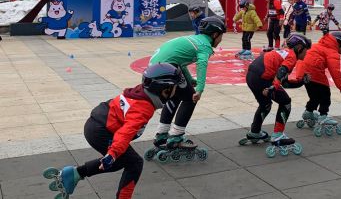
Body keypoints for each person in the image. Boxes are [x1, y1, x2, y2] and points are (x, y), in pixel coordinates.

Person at [43, 63, 183, 199]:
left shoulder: (141, 93)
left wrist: (113, 155)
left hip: (97, 125)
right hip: (101, 131)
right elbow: (126, 132)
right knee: (134, 163)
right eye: (175, 88)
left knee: (120, 162)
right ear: (165, 90)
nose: (176, 91)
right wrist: (113, 153)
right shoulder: (143, 107)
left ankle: (74, 174)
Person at [148, 16, 226, 153]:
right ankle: (176, 137)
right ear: (215, 34)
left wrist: (189, 80)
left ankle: (161, 135)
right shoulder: (205, 45)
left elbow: (181, 63)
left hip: (155, 69)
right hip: (168, 68)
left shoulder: (194, 39)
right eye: (221, 36)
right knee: (191, 98)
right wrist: (200, 89)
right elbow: (202, 65)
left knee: (175, 96)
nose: (221, 40)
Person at [240, 33, 312, 156]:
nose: (306, 53)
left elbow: (285, 82)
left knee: (265, 104)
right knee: (285, 102)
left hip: (252, 76)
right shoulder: (292, 56)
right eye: (306, 50)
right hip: (263, 78)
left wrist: (301, 82)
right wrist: (273, 87)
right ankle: (278, 135)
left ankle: (255, 132)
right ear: (299, 48)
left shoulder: (284, 53)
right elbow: (282, 71)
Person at [296, 31, 341, 135]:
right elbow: (335, 71)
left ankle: (308, 112)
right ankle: (323, 116)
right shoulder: (332, 52)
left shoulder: (317, 46)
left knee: (314, 96)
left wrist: (300, 76)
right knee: (325, 95)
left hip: (304, 73)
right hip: (315, 73)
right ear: (339, 44)